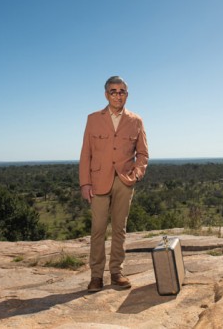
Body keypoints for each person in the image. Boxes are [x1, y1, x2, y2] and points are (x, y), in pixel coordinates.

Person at [79, 75, 149, 292]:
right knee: (98, 229)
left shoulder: (136, 120)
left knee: (120, 229)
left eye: (122, 91)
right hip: (99, 182)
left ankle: (117, 273)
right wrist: (85, 183)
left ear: (127, 94)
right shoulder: (93, 119)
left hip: (125, 181)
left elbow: (143, 153)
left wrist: (137, 174)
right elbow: (85, 154)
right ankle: (96, 276)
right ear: (106, 94)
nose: (118, 95)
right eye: (113, 91)